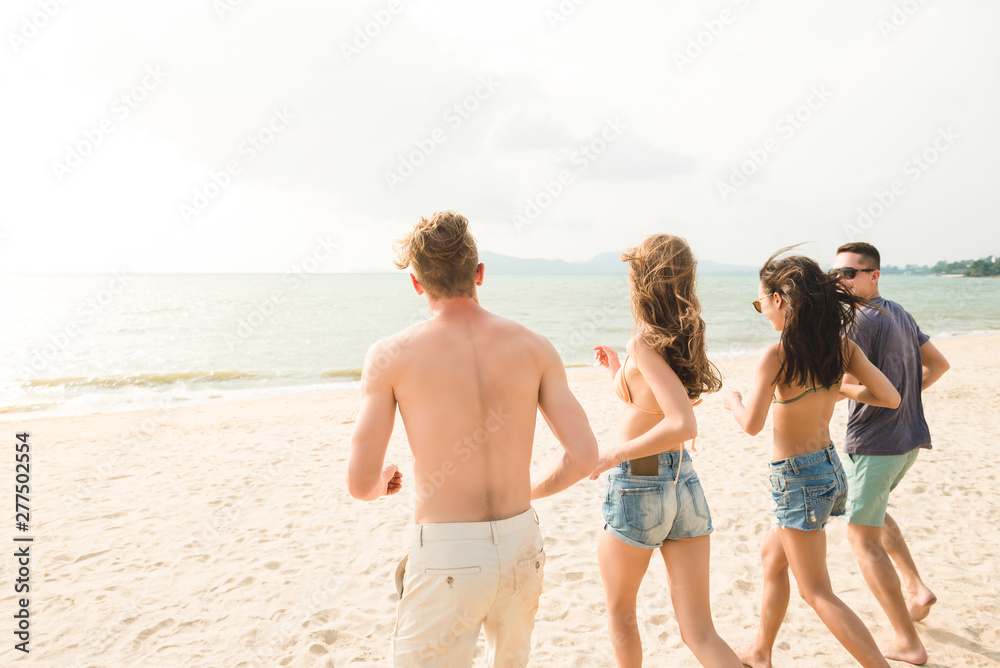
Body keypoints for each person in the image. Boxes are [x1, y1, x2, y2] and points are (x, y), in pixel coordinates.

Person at [347, 211, 599, 668]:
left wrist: (382, 480)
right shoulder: (534, 346)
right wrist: (527, 490)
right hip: (523, 542)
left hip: (447, 553)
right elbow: (585, 457)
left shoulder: (390, 356)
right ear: (479, 273)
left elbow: (360, 484)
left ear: (417, 283)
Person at [724, 248, 901, 668]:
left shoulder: (777, 354)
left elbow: (751, 424)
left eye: (760, 301)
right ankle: (761, 652)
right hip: (827, 468)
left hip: (797, 479)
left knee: (816, 591)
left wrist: (732, 400)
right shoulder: (840, 347)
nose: (761, 308)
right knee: (773, 557)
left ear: (779, 300)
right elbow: (889, 397)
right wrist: (842, 388)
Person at [591, 234, 742, 668]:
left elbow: (680, 421)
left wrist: (613, 455)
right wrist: (618, 371)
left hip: (640, 478)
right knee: (700, 632)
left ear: (641, 281)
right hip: (683, 480)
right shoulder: (680, 338)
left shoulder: (645, 342)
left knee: (621, 613)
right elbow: (654, 404)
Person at [832, 242, 950, 665]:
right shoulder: (897, 310)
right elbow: (938, 366)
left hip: (875, 443)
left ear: (873, 275)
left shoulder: (859, 320)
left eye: (849, 273)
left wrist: (830, 388)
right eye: (836, 275)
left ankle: (907, 641)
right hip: (908, 440)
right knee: (875, 515)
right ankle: (916, 588)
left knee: (861, 538)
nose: (839, 281)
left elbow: (850, 382)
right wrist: (904, 397)